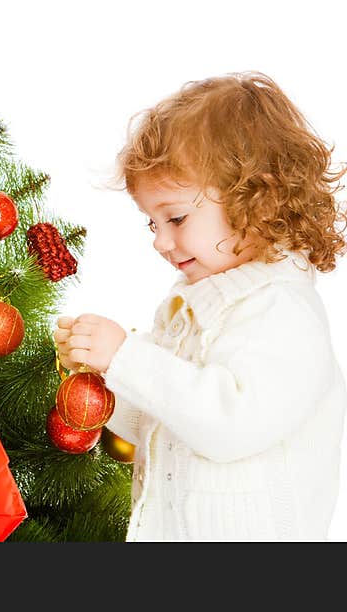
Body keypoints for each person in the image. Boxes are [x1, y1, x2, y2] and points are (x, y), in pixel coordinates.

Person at [54, 72, 347, 541]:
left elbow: (229, 426)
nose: (161, 241)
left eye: (175, 217)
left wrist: (126, 357)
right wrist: (105, 382)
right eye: (151, 224)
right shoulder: (191, 307)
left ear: (257, 198)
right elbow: (163, 423)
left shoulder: (282, 312)